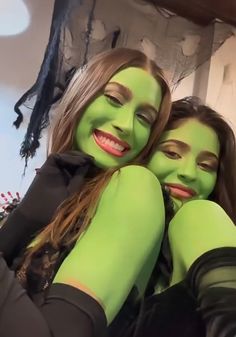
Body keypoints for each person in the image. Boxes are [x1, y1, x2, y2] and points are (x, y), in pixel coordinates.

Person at [0, 47, 171, 337]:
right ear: (83, 94)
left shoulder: (136, 187)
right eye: (115, 99)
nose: (126, 125)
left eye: (144, 118)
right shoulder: (59, 192)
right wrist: (23, 220)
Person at [115, 97, 236, 337]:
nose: (189, 173)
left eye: (206, 166)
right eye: (171, 153)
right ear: (144, 152)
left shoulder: (202, 215)